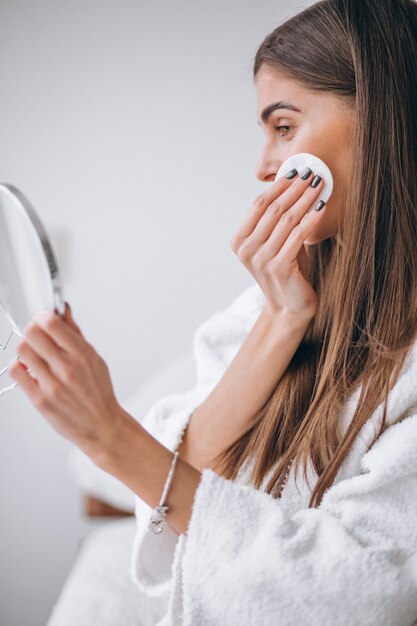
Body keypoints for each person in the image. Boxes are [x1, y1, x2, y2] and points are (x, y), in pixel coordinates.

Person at [8, 0, 417, 624]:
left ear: (383, 121)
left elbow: (358, 594)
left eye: (283, 127)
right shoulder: (272, 300)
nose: (261, 164)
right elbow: (187, 471)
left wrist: (110, 436)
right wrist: (280, 323)